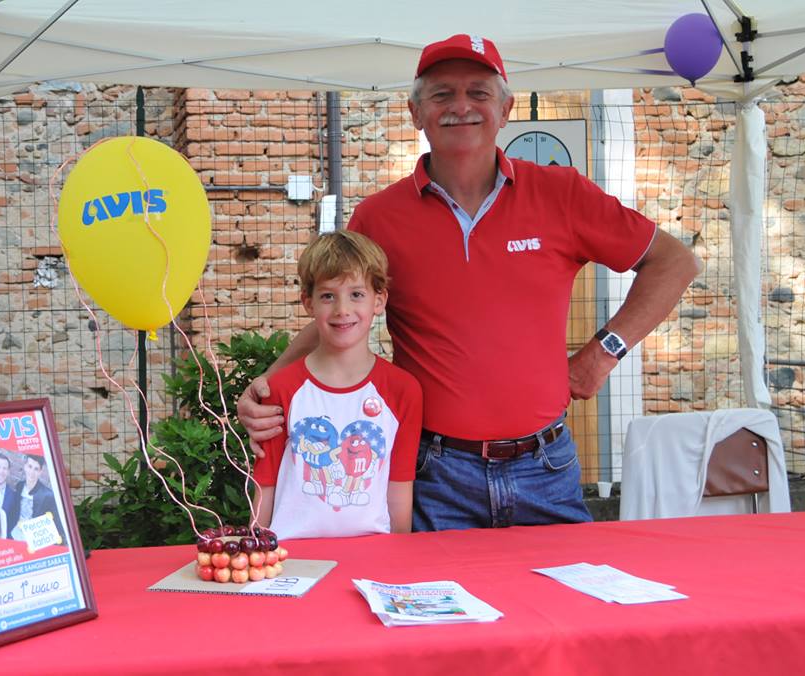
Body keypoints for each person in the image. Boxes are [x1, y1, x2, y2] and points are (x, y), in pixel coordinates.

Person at [239, 34, 700, 531]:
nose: (461, 106)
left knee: (565, 607)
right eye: (442, 94)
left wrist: (602, 353)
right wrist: (271, 387)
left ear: (505, 109)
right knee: (446, 609)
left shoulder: (561, 193)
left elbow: (674, 263)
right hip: (436, 474)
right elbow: (339, 313)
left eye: (479, 92)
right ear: (416, 112)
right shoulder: (380, 216)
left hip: (545, 468)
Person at [253, 230, 422, 539]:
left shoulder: (402, 390)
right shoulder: (282, 389)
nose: (342, 310)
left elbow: (399, 487)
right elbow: (266, 485)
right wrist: (254, 553)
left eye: (356, 294)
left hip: (374, 553)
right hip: (292, 555)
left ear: (379, 300)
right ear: (308, 303)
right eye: (328, 296)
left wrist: (401, 555)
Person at [7, 454, 66, 545]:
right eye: (30, 466)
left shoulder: (47, 495)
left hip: (35, 541)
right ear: (25, 466)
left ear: (40, 471)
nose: (32, 472)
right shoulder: (20, 486)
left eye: (36, 469)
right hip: (15, 535)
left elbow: (57, 524)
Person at [0, 453, 19, 536]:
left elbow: (12, 523)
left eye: (4, 468)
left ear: (8, 472)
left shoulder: (13, 496)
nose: (1, 471)